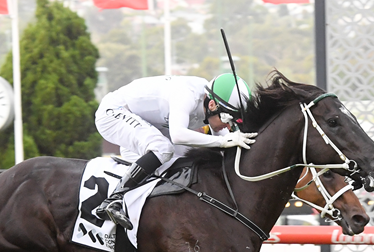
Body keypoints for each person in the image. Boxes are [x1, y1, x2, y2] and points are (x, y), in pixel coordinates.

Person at [94, 73, 257, 230]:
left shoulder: (211, 105)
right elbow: (178, 135)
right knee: (163, 149)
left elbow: (222, 146)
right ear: (212, 105)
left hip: (147, 122)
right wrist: (223, 141)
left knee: (184, 161)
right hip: (114, 112)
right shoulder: (187, 95)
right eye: (228, 120)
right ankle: (113, 200)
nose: (228, 127)